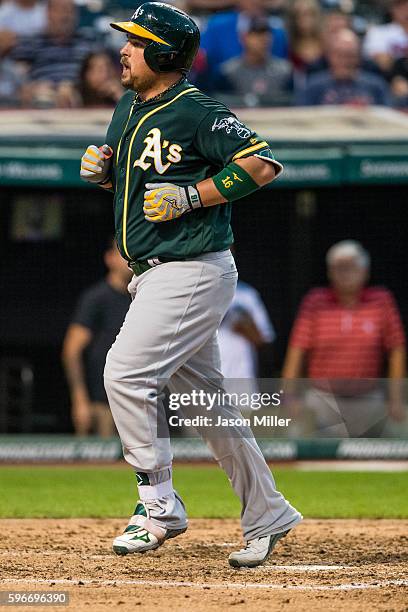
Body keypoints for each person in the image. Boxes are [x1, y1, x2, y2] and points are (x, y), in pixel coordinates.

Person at [80, 2, 302, 568]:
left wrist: (192, 196)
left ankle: (158, 504)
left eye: (135, 42)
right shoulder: (128, 108)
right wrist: (107, 175)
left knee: (125, 373)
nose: (124, 50)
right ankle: (269, 512)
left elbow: (260, 164)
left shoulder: (196, 108)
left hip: (191, 269)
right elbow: (143, 187)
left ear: (163, 53)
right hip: (154, 271)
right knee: (208, 408)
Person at [282, 240, 406, 437]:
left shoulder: (382, 300)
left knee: (400, 435)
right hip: (322, 400)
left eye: (352, 266)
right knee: (295, 437)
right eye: (339, 267)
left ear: (365, 271)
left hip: (370, 400)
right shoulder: (315, 301)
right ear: (329, 272)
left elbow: (396, 349)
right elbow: (297, 350)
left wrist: (396, 398)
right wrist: (289, 397)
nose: (345, 272)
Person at [62, 239, 131, 437]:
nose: (131, 259)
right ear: (109, 258)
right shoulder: (96, 298)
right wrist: (79, 398)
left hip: (136, 398)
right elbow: (71, 350)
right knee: (105, 461)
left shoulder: (141, 297)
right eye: (124, 254)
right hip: (102, 402)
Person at [12, 0, 97, 108]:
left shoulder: (88, 40)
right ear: (48, 13)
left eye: (70, 11)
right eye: (60, 10)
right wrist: (32, 88)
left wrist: (76, 88)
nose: (65, 16)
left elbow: (99, 72)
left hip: (81, 96)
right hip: (42, 97)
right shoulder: (31, 42)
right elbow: (17, 78)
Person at [201, 0, 288, 87]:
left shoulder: (278, 32)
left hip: (270, 89)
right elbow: (202, 60)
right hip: (223, 88)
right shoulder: (216, 26)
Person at [297, 28, 390, 105]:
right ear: (330, 56)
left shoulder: (376, 86)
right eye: (340, 55)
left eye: (350, 55)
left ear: (359, 57)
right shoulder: (313, 86)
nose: (345, 61)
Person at [215, 15, 293, 107]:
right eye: (257, 33)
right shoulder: (227, 72)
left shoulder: (285, 71)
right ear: (243, 37)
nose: (264, 38)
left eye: (267, 33)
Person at [218, 279, 275, 394]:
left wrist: (245, 325)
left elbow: (264, 338)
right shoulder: (198, 292)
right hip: (208, 377)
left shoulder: (246, 294)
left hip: (241, 378)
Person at [363, 0, 408, 76]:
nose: (406, 10)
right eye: (401, 6)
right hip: (388, 79)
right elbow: (383, 63)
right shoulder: (378, 32)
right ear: (392, 9)